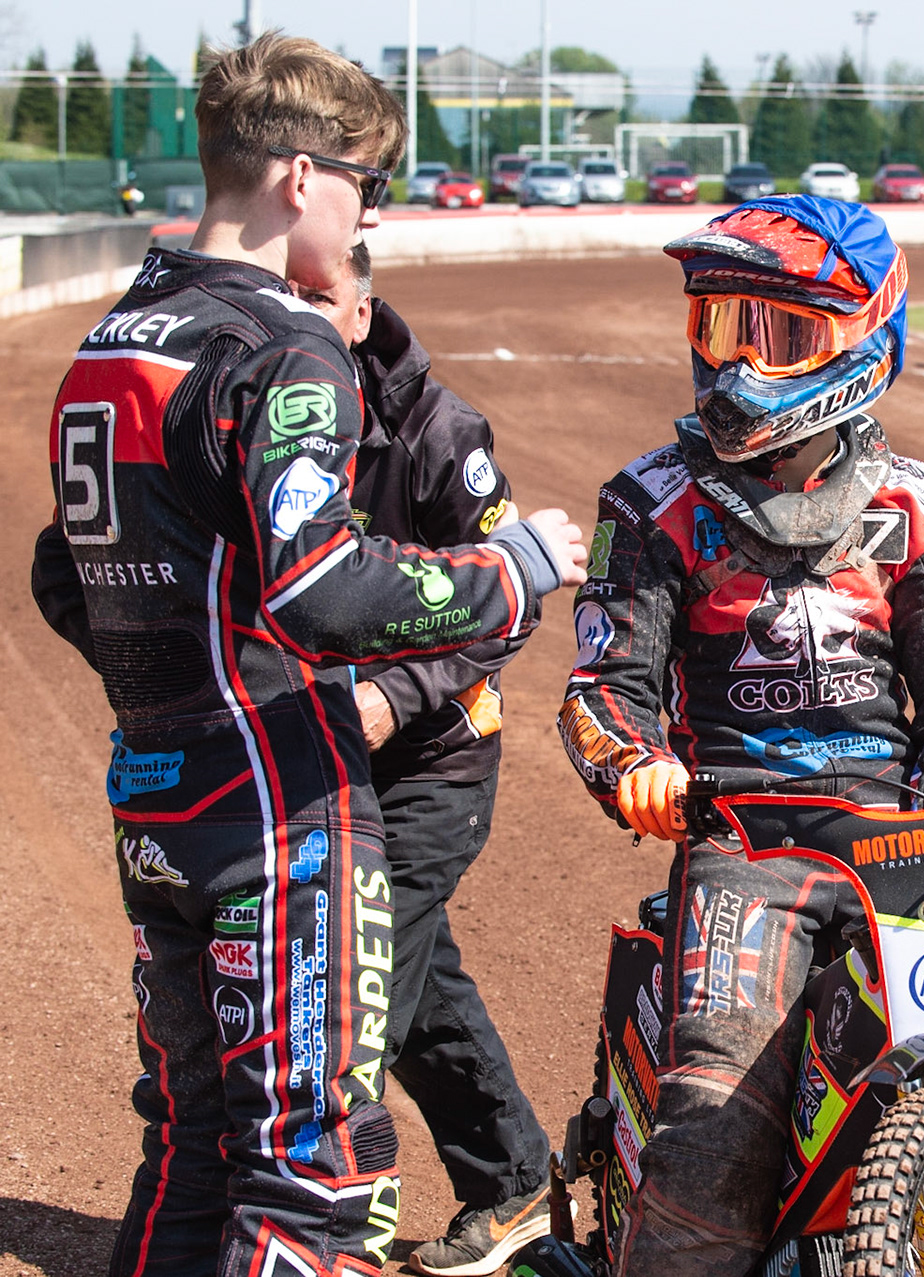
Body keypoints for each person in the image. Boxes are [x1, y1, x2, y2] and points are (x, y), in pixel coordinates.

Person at [27, 34, 587, 1277]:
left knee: (189, 1148)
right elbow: (323, 591)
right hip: (278, 810)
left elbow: (63, 580)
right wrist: (515, 571)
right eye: (366, 185)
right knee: (312, 1176)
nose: (369, 211)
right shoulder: (285, 346)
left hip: (158, 793)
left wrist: (172, 670)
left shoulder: (119, 335)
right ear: (298, 178)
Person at [556, 193, 924, 1276]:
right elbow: (602, 685)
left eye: (781, 335)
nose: (739, 366)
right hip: (743, 847)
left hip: (897, 847)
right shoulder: (653, 503)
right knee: (714, 1133)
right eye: (719, 329)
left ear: (866, 341)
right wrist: (639, 767)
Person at [292, 242, 557, 1276]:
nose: (305, 314)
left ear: (360, 311)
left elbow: (513, 599)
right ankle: (516, 1183)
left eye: (324, 297)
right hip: (310, 753)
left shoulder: (439, 432)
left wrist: (392, 694)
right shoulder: (259, 407)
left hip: (439, 755)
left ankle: (314, 1215)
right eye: (293, 294)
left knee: (358, 983)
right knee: (413, 971)